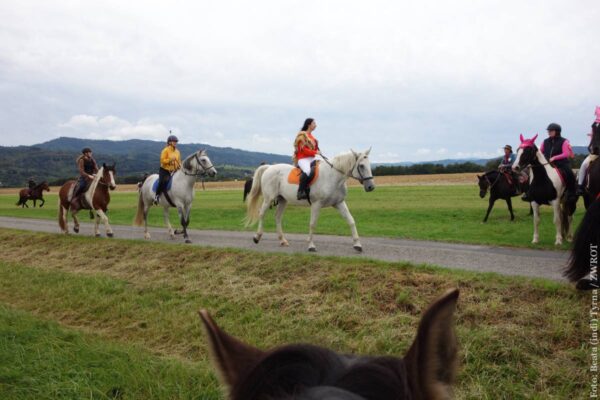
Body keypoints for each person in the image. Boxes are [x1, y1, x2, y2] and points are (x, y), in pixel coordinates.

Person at [522, 122, 575, 202]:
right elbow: (540, 152)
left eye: (551, 130)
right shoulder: (545, 141)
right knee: (531, 173)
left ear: (557, 131)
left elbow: (566, 154)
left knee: (569, 173)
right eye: (548, 131)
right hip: (547, 163)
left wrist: (555, 157)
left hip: (561, 163)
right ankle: (528, 192)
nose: (549, 132)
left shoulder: (564, 141)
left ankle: (571, 193)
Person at [292, 118, 321, 200]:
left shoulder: (313, 137)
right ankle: (300, 191)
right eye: (314, 123)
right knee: (307, 171)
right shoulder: (301, 136)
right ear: (309, 124)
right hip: (303, 159)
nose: (316, 125)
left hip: (312, 158)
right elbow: (303, 150)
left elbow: (314, 150)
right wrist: (315, 153)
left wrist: (318, 152)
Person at [576, 107, 600, 195]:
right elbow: (593, 137)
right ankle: (580, 186)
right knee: (583, 165)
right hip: (595, 153)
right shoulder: (595, 125)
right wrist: (591, 146)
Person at [155, 134, 181, 205]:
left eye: (176, 141)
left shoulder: (177, 152)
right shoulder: (165, 150)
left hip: (174, 170)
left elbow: (179, 161)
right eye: (174, 141)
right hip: (164, 170)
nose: (176, 142)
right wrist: (170, 160)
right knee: (163, 181)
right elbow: (162, 160)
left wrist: (179, 166)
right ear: (169, 142)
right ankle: (157, 196)